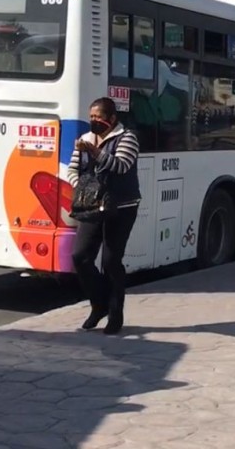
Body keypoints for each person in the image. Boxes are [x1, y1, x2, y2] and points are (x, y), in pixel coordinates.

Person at [68, 97, 141, 335]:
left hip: (121, 206)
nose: (94, 121)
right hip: (92, 206)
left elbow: (121, 166)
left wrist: (96, 152)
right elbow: (72, 169)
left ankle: (115, 313)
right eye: (91, 117)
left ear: (111, 119)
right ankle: (98, 304)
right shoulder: (86, 139)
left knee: (111, 261)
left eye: (98, 117)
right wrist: (83, 187)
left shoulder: (127, 137)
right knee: (80, 256)